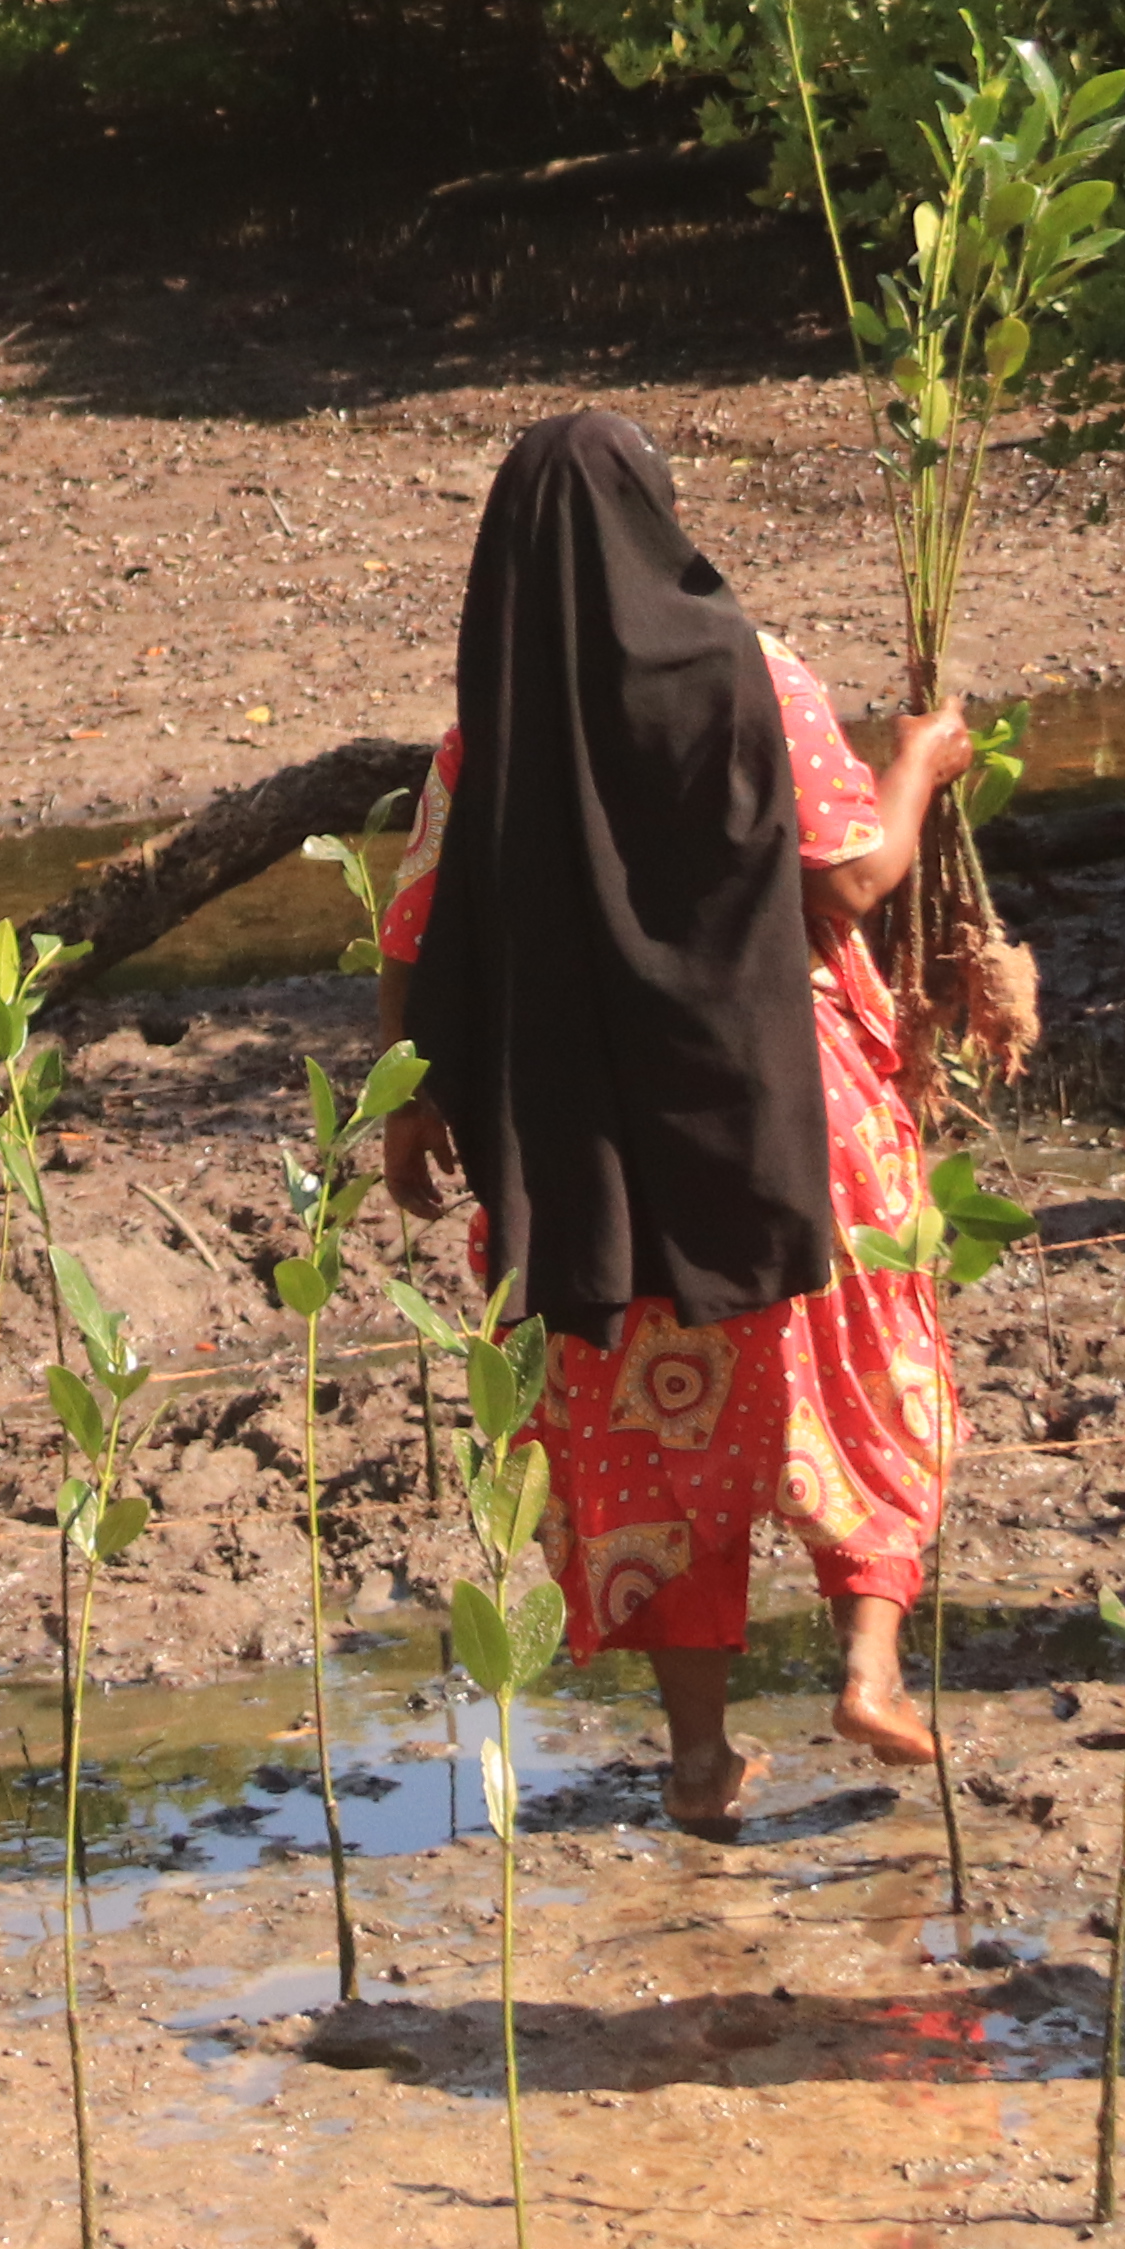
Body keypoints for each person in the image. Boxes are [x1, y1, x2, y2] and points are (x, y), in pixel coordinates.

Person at [376, 412, 981, 1838]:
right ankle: (870, 1664)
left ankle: (701, 1759)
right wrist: (920, 766)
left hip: (601, 1164)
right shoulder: (749, 674)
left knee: (655, 1443)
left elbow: (416, 934)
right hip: (794, 1121)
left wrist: (409, 1110)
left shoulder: (491, 732)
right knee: (857, 1374)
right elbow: (850, 880)